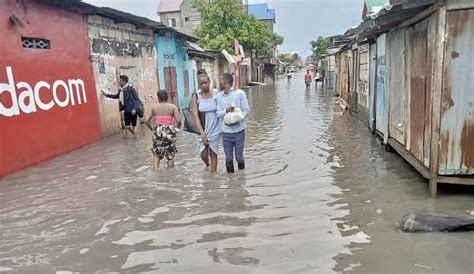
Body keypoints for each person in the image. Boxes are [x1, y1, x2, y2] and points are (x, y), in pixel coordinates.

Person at [217, 73, 251, 174]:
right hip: (225, 132)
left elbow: (246, 110)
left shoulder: (240, 94)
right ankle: (231, 183)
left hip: (239, 131)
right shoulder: (219, 96)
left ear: (226, 83)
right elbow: (218, 113)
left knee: (239, 158)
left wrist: (237, 116)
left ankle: (241, 178)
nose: (219, 83)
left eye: (220, 81)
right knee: (228, 159)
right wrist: (226, 111)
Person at [144, 90, 181, 170]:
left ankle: (156, 171)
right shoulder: (173, 107)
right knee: (170, 153)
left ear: (158, 97)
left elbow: (146, 120)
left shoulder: (154, 107)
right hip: (169, 130)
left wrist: (152, 129)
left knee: (157, 152)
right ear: (167, 97)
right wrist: (176, 130)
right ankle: (170, 173)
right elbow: (179, 121)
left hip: (158, 130)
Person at [192, 73, 221, 172]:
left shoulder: (217, 94)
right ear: (199, 85)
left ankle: (213, 177)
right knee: (203, 154)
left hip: (215, 128)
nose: (204, 85)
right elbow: (195, 115)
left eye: (205, 82)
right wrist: (202, 132)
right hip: (202, 127)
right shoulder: (196, 96)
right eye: (201, 83)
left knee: (213, 153)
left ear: (209, 82)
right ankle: (207, 164)